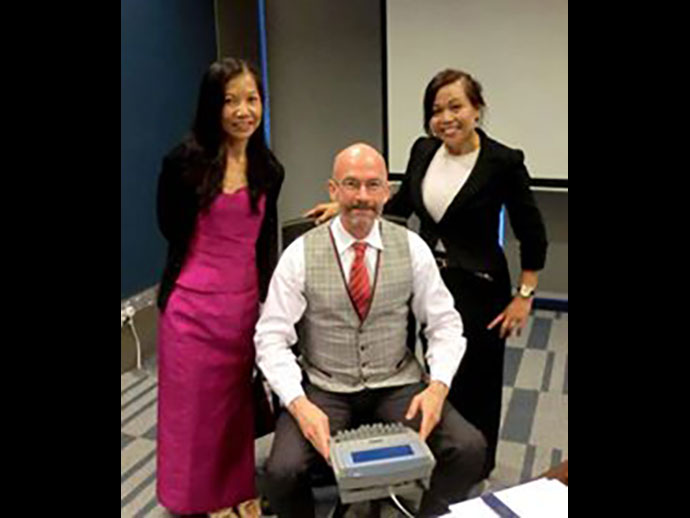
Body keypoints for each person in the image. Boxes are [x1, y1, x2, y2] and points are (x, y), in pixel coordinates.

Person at [305, 69, 548, 478]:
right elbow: (401, 205)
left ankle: (475, 465)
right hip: (425, 279)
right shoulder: (424, 150)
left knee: (477, 379)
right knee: (430, 371)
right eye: (436, 110)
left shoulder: (503, 161)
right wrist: (348, 207)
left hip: (479, 287)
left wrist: (525, 295)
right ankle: (432, 451)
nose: (445, 118)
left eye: (456, 107)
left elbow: (532, 232)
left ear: (477, 109)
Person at [255, 143, 486, 518]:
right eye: (351, 184)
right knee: (281, 472)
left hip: (396, 383)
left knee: (469, 448)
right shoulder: (299, 254)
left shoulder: (413, 248)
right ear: (333, 190)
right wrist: (299, 405)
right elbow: (271, 338)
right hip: (325, 386)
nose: (362, 196)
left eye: (372, 185)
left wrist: (437, 388)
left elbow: (445, 323)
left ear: (386, 193)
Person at [156, 58, 284, 518]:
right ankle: (199, 499)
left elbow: (265, 240)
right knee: (192, 412)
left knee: (234, 410)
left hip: (242, 308)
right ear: (213, 106)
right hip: (191, 309)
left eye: (252, 99)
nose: (243, 111)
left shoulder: (269, 169)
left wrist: (269, 302)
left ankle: (236, 491)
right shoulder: (183, 163)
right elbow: (170, 227)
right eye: (230, 101)